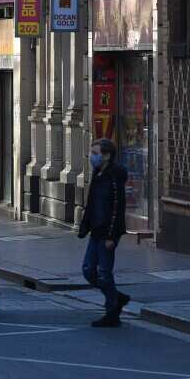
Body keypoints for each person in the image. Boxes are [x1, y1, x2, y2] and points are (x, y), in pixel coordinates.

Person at [78, 138, 130, 327]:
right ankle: (116, 297)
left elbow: (117, 206)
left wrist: (111, 235)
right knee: (87, 270)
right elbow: (92, 202)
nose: (92, 157)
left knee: (104, 273)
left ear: (107, 155)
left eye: (95, 153)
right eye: (92, 153)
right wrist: (85, 226)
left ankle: (112, 312)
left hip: (108, 232)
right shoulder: (98, 173)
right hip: (96, 230)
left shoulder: (115, 175)